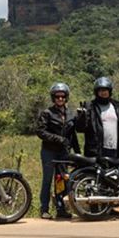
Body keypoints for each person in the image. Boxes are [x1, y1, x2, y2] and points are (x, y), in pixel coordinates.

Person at [36, 82, 80, 220]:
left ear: (66, 97)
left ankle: (61, 209)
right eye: (57, 97)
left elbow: (73, 135)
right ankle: (44, 209)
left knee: (62, 179)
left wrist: (77, 153)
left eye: (62, 97)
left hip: (63, 152)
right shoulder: (47, 113)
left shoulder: (71, 114)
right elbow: (40, 132)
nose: (60, 99)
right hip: (49, 151)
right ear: (53, 98)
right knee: (48, 180)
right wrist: (58, 139)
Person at [76, 77, 119, 159]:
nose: (103, 93)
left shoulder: (116, 106)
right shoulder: (90, 107)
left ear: (109, 91)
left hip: (116, 149)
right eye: (100, 90)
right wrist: (81, 117)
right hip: (97, 150)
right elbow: (80, 128)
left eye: (105, 90)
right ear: (96, 92)